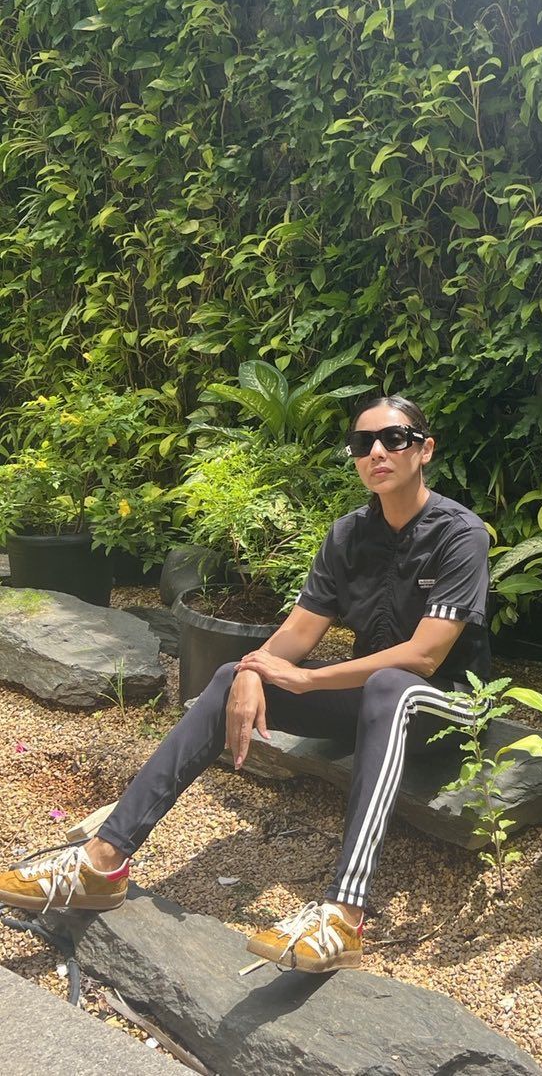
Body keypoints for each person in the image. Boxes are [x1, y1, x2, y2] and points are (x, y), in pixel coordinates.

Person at [0, 394, 492, 972]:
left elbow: (425, 656)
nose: (377, 452)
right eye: (364, 443)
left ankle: (344, 916)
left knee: (390, 684)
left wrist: (306, 681)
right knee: (229, 674)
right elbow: (298, 633)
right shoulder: (348, 535)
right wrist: (252, 670)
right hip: (374, 704)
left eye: (395, 438)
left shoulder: (460, 534)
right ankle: (103, 861)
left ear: (424, 449)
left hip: (450, 707)